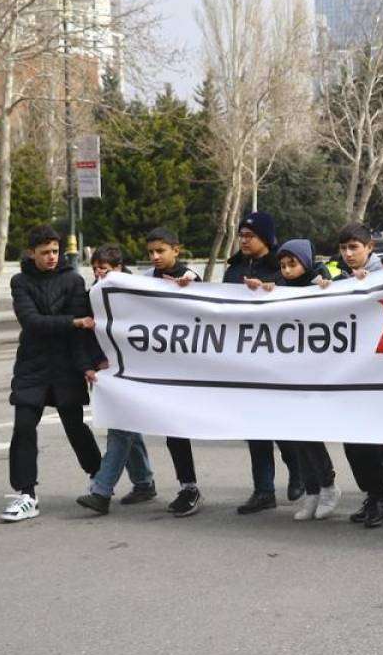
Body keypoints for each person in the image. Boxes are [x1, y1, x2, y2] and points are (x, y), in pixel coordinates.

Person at [1, 225, 102, 522]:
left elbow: (81, 331)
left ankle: (100, 479)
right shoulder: (20, 281)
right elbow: (31, 322)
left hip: (66, 366)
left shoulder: (73, 280)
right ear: (31, 253)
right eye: (45, 252)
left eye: (55, 251)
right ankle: (27, 495)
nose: (52, 257)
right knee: (23, 427)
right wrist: (73, 322)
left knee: (75, 427)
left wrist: (86, 365)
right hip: (32, 365)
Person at [246, 238, 343, 522]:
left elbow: (345, 286)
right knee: (295, 435)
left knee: (310, 435)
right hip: (288, 372)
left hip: (315, 373)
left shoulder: (320, 279)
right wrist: (260, 290)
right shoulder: (279, 285)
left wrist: (328, 285)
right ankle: (311, 492)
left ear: (306, 262)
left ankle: (328, 486)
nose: (287, 270)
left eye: (293, 264)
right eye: (283, 265)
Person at [224, 212, 303, 513]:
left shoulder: (281, 267)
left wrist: (272, 290)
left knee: (282, 426)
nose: (244, 240)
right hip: (245, 360)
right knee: (255, 429)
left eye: (250, 236)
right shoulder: (234, 270)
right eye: (241, 235)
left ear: (266, 239)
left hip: (278, 360)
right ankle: (263, 490)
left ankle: (297, 472)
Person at [75, 245, 157, 515]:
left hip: (133, 372)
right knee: (126, 426)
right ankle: (143, 482)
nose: (99, 273)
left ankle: (101, 491)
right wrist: (90, 365)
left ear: (119, 268)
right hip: (107, 373)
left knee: (120, 429)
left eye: (104, 269)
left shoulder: (138, 294)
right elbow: (85, 337)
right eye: (95, 268)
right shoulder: (92, 295)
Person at [134, 227, 206, 517]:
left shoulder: (190, 278)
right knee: (173, 430)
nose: (155, 256)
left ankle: (284, 482)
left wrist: (191, 288)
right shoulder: (144, 281)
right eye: (150, 252)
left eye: (160, 251)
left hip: (191, 368)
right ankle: (188, 487)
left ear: (176, 250)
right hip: (162, 368)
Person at [334, 222, 383, 527]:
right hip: (349, 373)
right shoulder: (339, 279)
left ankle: (381, 495)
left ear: (370, 247)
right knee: (353, 441)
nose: (348, 254)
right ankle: (372, 494)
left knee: (370, 440)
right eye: (343, 248)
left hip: (379, 373)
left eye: (354, 247)